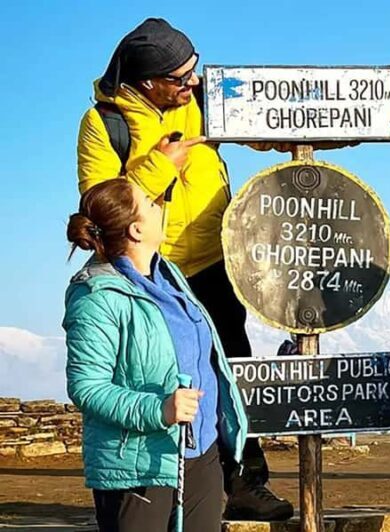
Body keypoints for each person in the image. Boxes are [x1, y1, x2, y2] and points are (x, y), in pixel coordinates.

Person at [75, 18, 292, 520]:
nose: (193, 83)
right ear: (148, 81)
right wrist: (159, 165)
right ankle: (163, 482)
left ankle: (243, 482)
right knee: (161, 375)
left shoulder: (195, 101)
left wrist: (284, 137)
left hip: (217, 260)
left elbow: (247, 121)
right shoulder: (103, 124)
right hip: (154, 270)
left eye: (195, 70)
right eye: (181, 77)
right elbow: (98, 201)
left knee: (230, 368)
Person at [63, 179, 249, 531]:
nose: (160, 205)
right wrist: (159, 410)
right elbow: (87, 387)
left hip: (200, 453)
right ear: (135, 229)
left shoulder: (169, 275)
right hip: (137, 464)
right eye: (150, 203)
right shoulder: (96, 295)